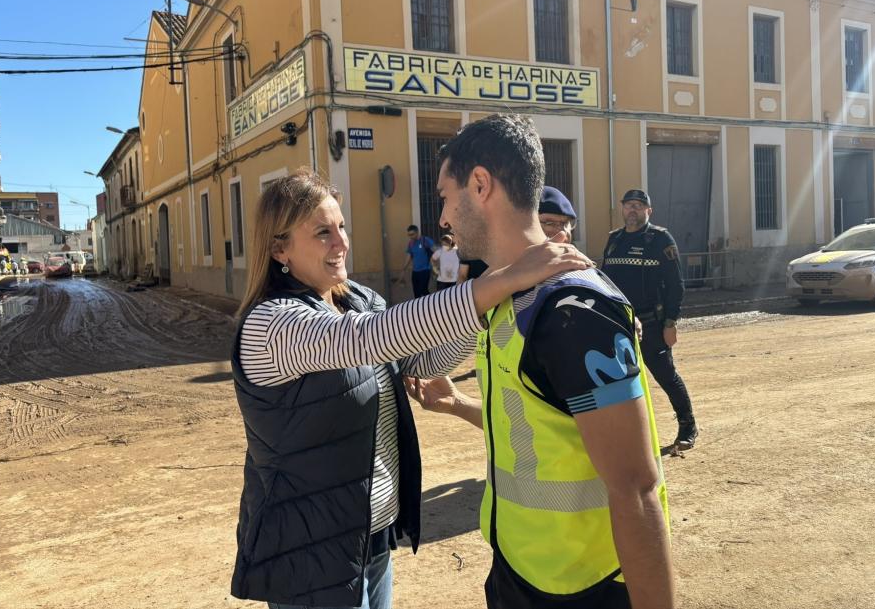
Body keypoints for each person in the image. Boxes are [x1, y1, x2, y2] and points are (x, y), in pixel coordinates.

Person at [229, 168, 590, 609]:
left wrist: (487, 301)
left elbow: (418, 361)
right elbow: (367, 338)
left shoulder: (358, 300)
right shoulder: (272, 323)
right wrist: (498, 281)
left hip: (371, 533)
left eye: (341, 226)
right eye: (322, 232)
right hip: (310, 549)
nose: (341, 243)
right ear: (279, 248)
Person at [408, 115, 674, 609]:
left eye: (444, 197)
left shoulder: (576, 309)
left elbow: (636, 488)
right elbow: (533, 431)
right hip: (516, 569)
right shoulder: (504, 296)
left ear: (480, 185)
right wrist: (460, 404)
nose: (441, 219)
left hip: (582, 587)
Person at [600, 189, 698, 451]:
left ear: (648, 211)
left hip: (652, 324)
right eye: (628, 205)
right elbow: (605, 281)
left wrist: (670, 321)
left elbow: (676, 285)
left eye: (638, 206)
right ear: (622, 209)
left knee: (666, 375)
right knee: (616, 381)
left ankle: (688, 426)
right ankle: (624, 434)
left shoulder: (660, 239)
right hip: (619, 324)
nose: (633, 210)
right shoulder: (614, 240)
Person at [399, 225, 435, 298]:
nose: (410, 236)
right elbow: (409, 256)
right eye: (409, 235)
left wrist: (435, 268)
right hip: (415, 271)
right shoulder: (411, 243)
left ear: (417, 232)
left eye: (412, 234)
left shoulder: (425, 240)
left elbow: (435, 251)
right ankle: (418, 308)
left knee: (423, 290)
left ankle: (432, 304)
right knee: (416, 293)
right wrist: (403, 269)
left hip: (425, 270)